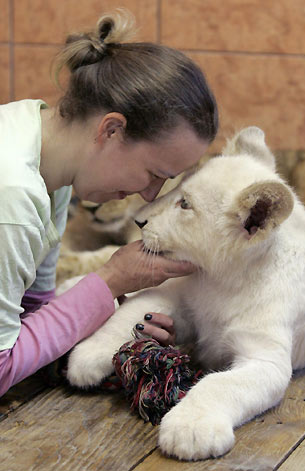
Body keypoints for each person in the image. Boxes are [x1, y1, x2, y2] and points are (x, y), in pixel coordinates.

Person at [0, 9, 218, 397]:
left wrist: (115, 320)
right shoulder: (12, 197)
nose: (150, 196)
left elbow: (31, 313)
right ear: (112, 130)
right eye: (155, 173)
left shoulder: (46, 159)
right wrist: (111, 279)